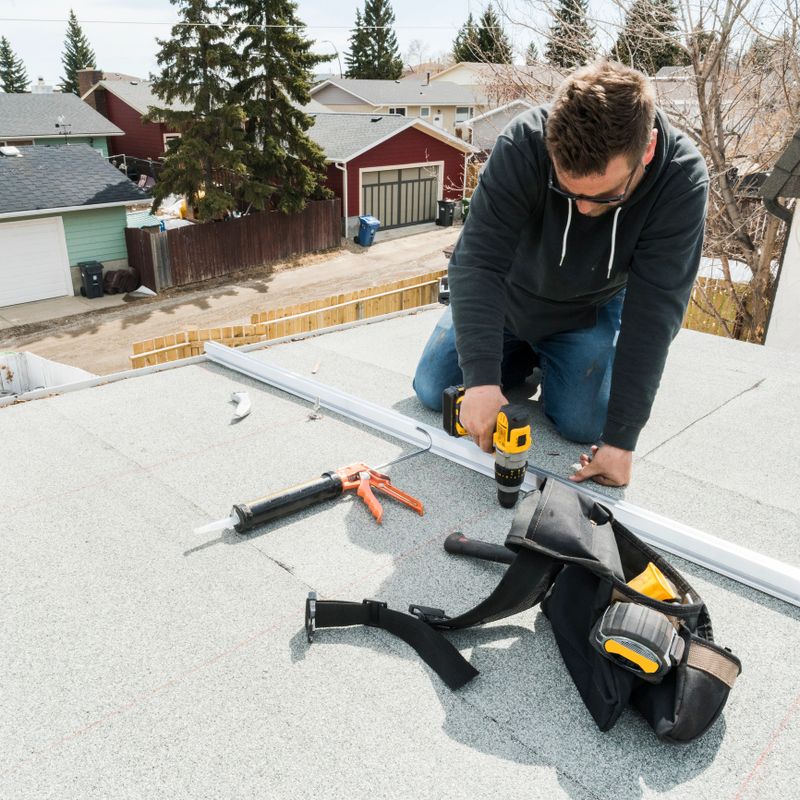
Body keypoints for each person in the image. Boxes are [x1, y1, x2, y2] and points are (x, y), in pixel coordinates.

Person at [413, 61, 709, 487]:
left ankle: (546, 361)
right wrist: (480, 378)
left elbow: (654, 316)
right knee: (433, 388)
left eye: (605, 195)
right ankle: (520, 359)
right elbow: (477, 260)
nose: (584, 208)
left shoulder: (680, 181)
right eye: (567, 191)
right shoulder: (523, 143)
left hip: (587, 310)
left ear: (646, 150)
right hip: (510, 297)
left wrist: (622, 442)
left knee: (585, 424)